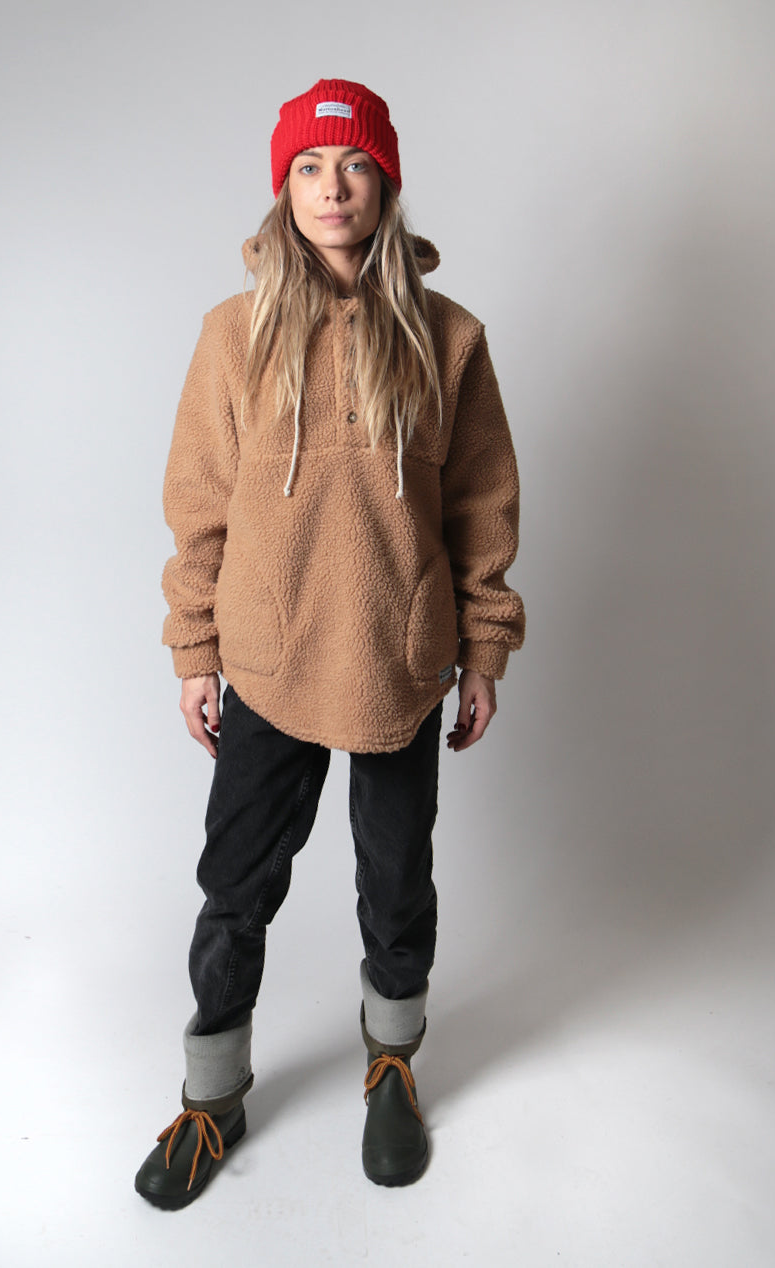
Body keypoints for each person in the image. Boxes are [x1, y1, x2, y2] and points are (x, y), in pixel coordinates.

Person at [134, 79, 525, 1209]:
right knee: (234, 886)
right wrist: (195, 648)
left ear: (385, 183)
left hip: (401, 657)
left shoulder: (449, 338)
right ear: (284, 187)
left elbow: (482, 506)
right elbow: (198, 505)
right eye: (308, 165)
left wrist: (483, 649)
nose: (331, 185)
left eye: (352, 163)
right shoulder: (234, 333)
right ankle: (212, 1096)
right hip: (268, 654)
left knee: (396, 881)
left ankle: (392, 1063)